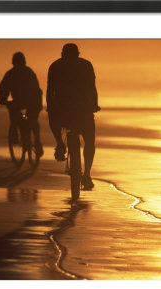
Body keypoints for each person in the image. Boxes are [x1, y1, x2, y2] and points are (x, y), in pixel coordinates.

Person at [46, 43, 100, 189]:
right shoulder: (86, 65)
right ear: (78, 53)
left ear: (63, 53)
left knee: (52, 118)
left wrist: (50, 107)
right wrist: (94, 104)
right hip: (83, 110)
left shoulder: (55, 66)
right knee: (89, 143)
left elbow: (50, 91)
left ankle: (59, 143)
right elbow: (92, 88)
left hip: (62, 110)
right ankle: (87, 175)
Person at [0, 52, 44, 157]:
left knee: (15, 116)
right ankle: (37, 140)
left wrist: (2, 99)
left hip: (23, 101)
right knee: (33, 120)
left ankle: (18, 135)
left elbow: (4, 88)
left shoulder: (11, 73)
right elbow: (36, 88)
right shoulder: (29, 72)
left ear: (13, 62)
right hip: (34, 100)